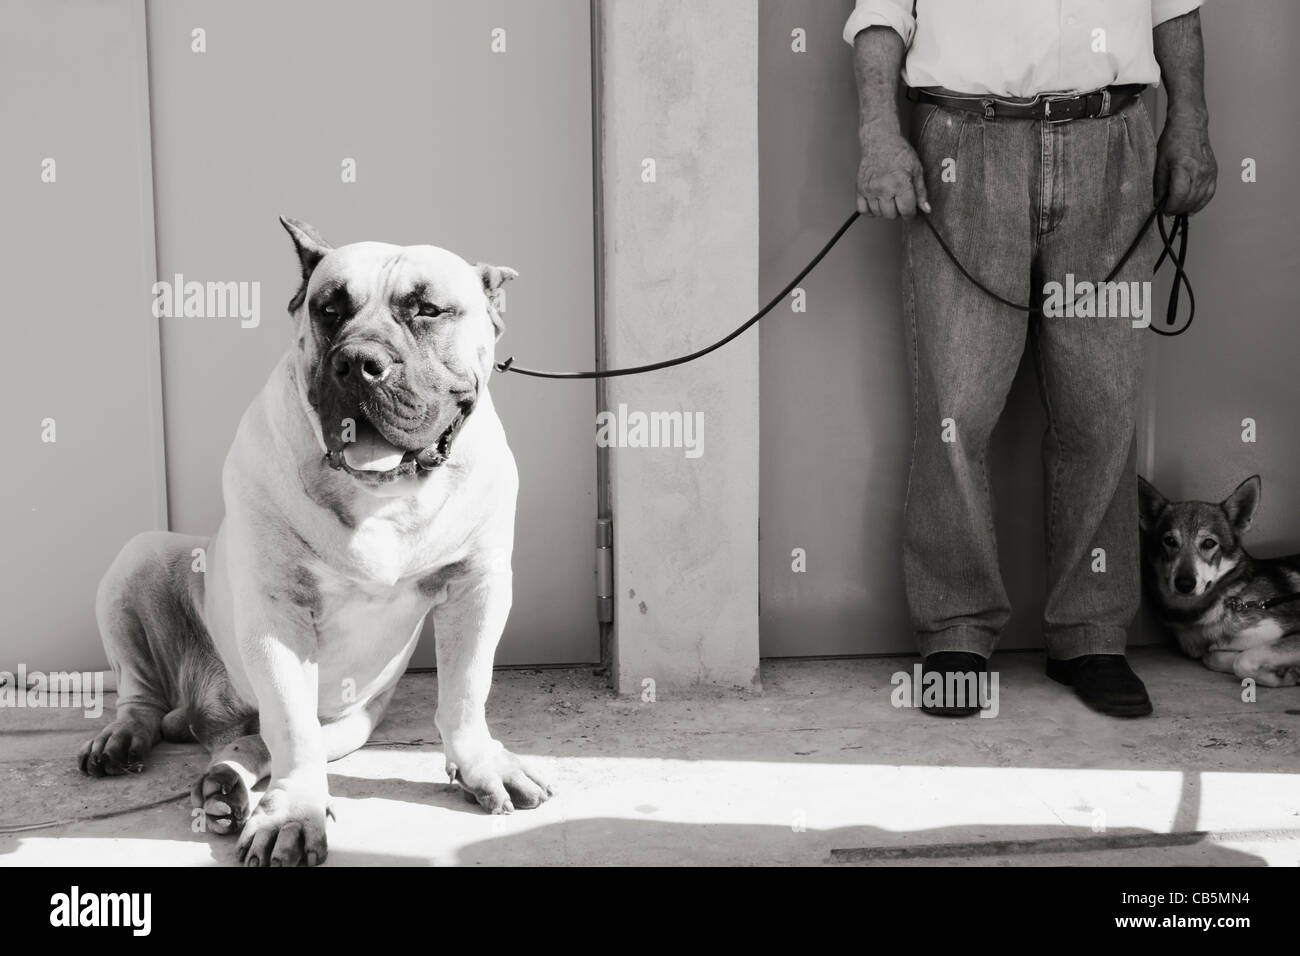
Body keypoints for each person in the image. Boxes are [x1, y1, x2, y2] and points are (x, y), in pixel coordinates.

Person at [848, 0, 1217, 716]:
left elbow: (1176, 8)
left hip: (1112, 143)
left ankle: (1091, 635)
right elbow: (878, 18)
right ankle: (954, 632)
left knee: (1102, 408)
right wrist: (877, 137)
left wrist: (1192, 123)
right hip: (962, 144)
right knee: (958, 408)